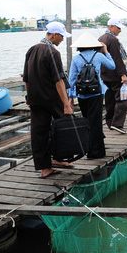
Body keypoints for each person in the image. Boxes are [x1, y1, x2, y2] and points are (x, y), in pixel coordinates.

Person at [23, 21, 74, 178]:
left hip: (36, 98)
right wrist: (66, 104)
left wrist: (28, 96)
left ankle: (45, 167)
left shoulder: (32, 50)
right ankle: (59, 157)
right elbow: (58, 81)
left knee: (39, 133)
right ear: (54, 35)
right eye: (61, 37)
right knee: (64, 128)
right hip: (52, 98)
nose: (62, 40)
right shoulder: (52, 52)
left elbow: (26, 77)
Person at [68, 32, 115, 158]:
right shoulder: (98, 56)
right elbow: (112, 66)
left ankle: (88, 149)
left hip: (82, 94)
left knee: (86, 121)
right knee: (96, 122)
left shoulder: (76, 59)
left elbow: (71, 79)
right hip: (96, 93)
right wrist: (106, 51)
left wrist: (70, 97)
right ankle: (97, 152)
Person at [99, 19, 127, 134]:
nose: (120, 30)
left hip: (104, 75)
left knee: (109, 100)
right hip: (115, 74)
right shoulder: (112, 39)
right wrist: (123, 74)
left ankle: (110, 122)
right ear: (111, 26)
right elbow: (117, 58)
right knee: (123, 99)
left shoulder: (101, 38)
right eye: (118, 28)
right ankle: (117, 123)